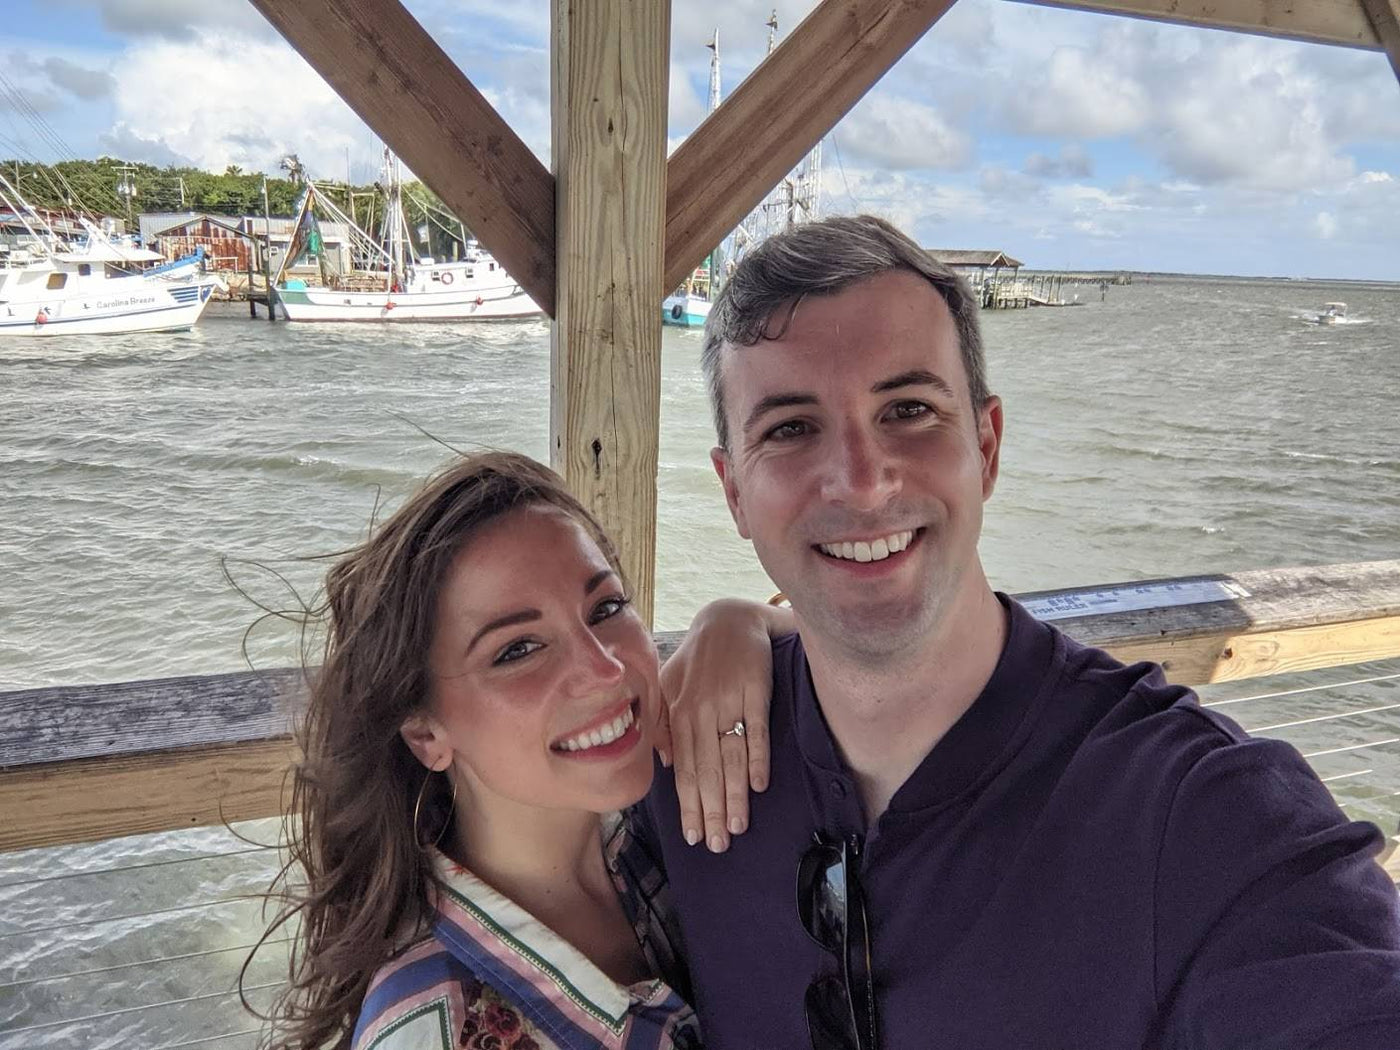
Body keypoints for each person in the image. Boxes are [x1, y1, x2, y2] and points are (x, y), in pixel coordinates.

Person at [636, 214, 1400, 1048]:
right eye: (789, 428)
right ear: (733, 493)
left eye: (909, 409)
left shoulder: (1199, 818)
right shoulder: (687, 771)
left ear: (988, 446)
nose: (859, 479)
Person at [253, 452, 715, 1050]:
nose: (604, 670)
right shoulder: (437, 1026)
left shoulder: (657, 834)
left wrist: (736, 625)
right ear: (426, 734)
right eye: (517, 650)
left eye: (605, 608)